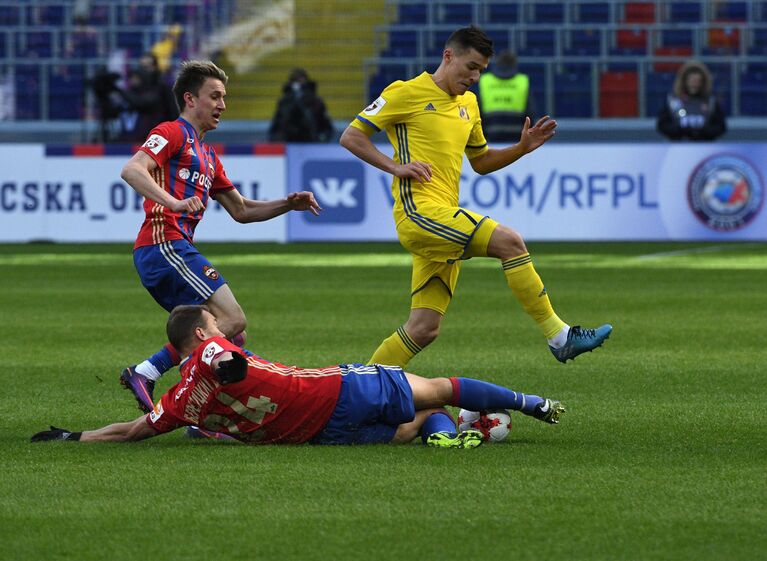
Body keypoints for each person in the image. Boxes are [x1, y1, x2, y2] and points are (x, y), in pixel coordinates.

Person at [339, 26, 612, 369]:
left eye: (481, 70)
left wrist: (521, 149)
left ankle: (360, 390)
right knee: (510, 241)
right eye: (470, 67)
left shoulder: (468, 104)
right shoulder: (405, 93)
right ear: (448, 56)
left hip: (443, 220)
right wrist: (396, 167)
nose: (475, 77)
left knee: (424, 329)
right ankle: (560, 337)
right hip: (419, 215)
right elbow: (351, 136)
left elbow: (481, 162)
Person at [31, 305, 566, 448]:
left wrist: (76, 436)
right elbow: (227, 362)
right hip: (335, 387)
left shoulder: (179, 400)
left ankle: (452, 433)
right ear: (199, 332)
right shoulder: (211, 349)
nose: (221, 328)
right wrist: (229, 363)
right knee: (438, 388)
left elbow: (135, 428)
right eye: (214, 323)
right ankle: (530, 401)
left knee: (413, 426)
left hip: (315, 436)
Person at [118, 60, 321, 414]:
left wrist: (288, 204)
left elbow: (241, 210)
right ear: (190, 99)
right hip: (163, 243)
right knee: (232, 319)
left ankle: (204, 410)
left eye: (224, 97)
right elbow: (132, 169)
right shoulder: (171, 132)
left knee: (227, 335)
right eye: (214, 96)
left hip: (174, 248)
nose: (222, 105)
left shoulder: (209, 156)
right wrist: (173, 202)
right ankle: (153, 377)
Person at [657, 60, 727, 141]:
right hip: (678, 147)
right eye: (692, 80)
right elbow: (662, 125)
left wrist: (703, 132)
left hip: (705, 146)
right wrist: (680, 131)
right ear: (685, 81)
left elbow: (720, 126)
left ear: (703, 82)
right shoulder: (672, 101)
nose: (694, 84)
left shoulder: (711, 102)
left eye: (698, 81)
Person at [478, 51, 534, 142]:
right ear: (514, 65)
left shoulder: (485, 81)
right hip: (517, 136)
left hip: (491, 135)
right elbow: (530, 112)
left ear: (497, 64)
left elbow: (478, 110)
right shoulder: (522, 81)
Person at [268, 68, 334, 142]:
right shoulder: (284, 102)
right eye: (295, 80)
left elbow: (327, 126)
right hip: (288, 141)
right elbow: (276, 124)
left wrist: (321, 139)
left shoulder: (316, 101)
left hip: (311, 142)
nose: (298, 84)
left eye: (300, 80)